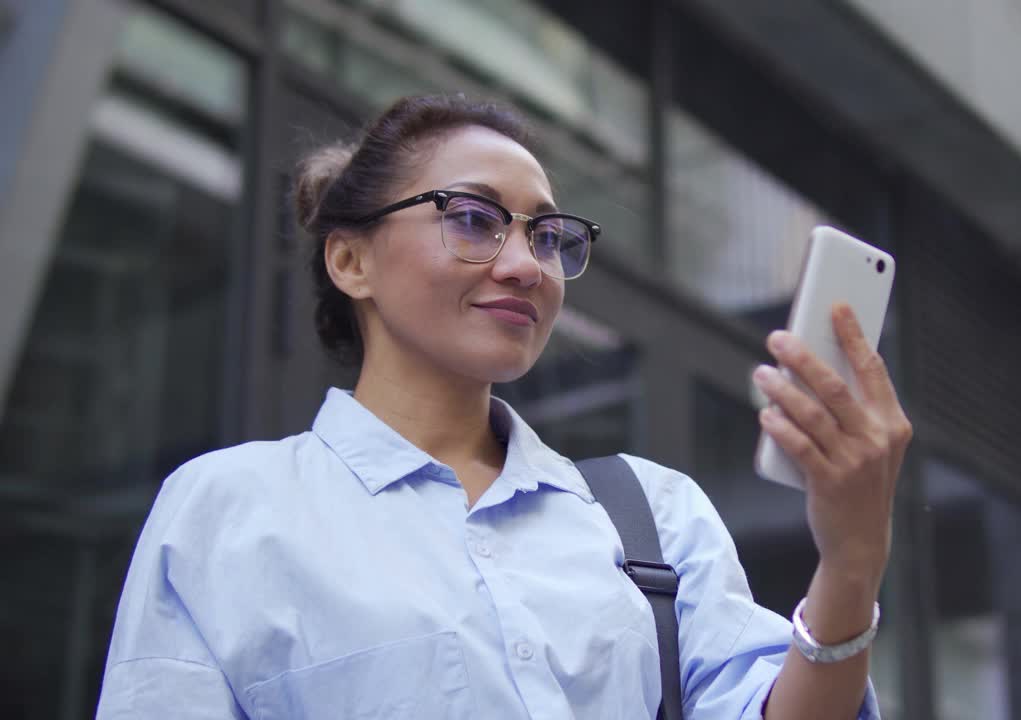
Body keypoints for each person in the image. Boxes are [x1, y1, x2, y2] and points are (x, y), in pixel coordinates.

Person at [96, 94, 912, 719]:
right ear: (350, 260)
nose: (527, 265)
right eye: (475, 220)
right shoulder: (229, 510)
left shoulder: (654, 514)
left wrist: (850, 562)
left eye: (548, 235)